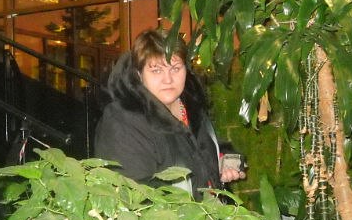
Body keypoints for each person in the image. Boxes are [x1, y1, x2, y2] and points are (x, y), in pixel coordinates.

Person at [94, 28, 245, 200]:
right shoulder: (123, 122)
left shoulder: (190, 106)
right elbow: (134, 195)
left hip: (211, 212)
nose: (168, 79)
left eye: (175, 68)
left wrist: (225, 160)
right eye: (156, 70)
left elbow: (201, 149)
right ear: (139, 74)